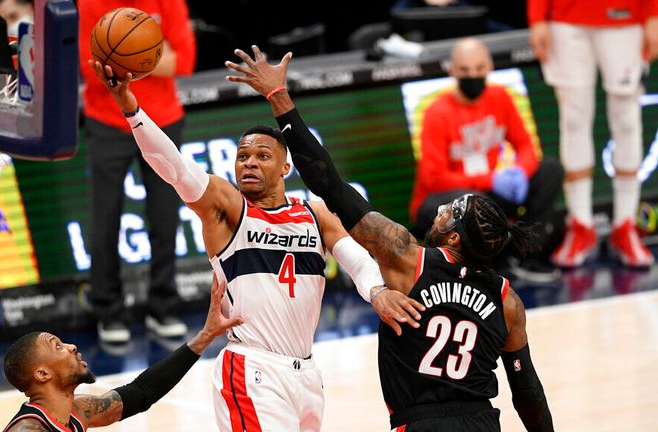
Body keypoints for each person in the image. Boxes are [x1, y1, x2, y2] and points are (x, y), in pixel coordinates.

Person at [225, 45, 554, 431]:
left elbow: (326, 181)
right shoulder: (507, 300)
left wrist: (278, 97)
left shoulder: (406, 257)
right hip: (482, 422)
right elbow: (527, 391)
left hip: (418, 423)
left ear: (454, 240)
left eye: (450, 213)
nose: (440, 210)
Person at [88, 58, 425, 431]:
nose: (248, 163)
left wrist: (377, 291)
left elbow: (358, 260)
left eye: (262, 156)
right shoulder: (227, 208)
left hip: (307, 373)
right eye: (242, 157)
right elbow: (174, 166)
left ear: (286, 168)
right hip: (252, 368)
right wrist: (131, 108)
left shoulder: (315, 213)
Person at [78, 0, 197, 343]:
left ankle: (163, 308)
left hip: (163, 119)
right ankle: (109, 312)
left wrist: (124, 58)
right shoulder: (90, 4)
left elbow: (185, 62)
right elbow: (92, 72)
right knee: (105, 220)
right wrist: (152, 57)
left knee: (165, 218)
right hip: (107, 121)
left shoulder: (168, 2)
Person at [410, 37, 563, 282]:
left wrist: (521, 172)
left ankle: (526, 256)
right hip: (439, 204)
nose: (473, 75)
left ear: (490, 67)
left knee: (550, 170)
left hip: (487, 194)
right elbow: (434, 178)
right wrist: (491, 180)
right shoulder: (436, 113)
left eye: (479, 68)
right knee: (475, 202)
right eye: (465, 70)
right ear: (452, 70)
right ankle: (491, 268)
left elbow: (526, 146)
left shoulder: (501, 97)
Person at [2, 277, 242, 431]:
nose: (71, 347)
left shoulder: (77, 412)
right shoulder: (29, 430)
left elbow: (141, 392)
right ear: (42, 374)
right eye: (57, 346)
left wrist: (204, 338)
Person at [528, 0, 658, 268]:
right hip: (565, 19)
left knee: (627, 119)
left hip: (626, 16)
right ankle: (580, 225)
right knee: (573, 119)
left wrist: (654, 14)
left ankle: (626, 224)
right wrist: (537, 16)